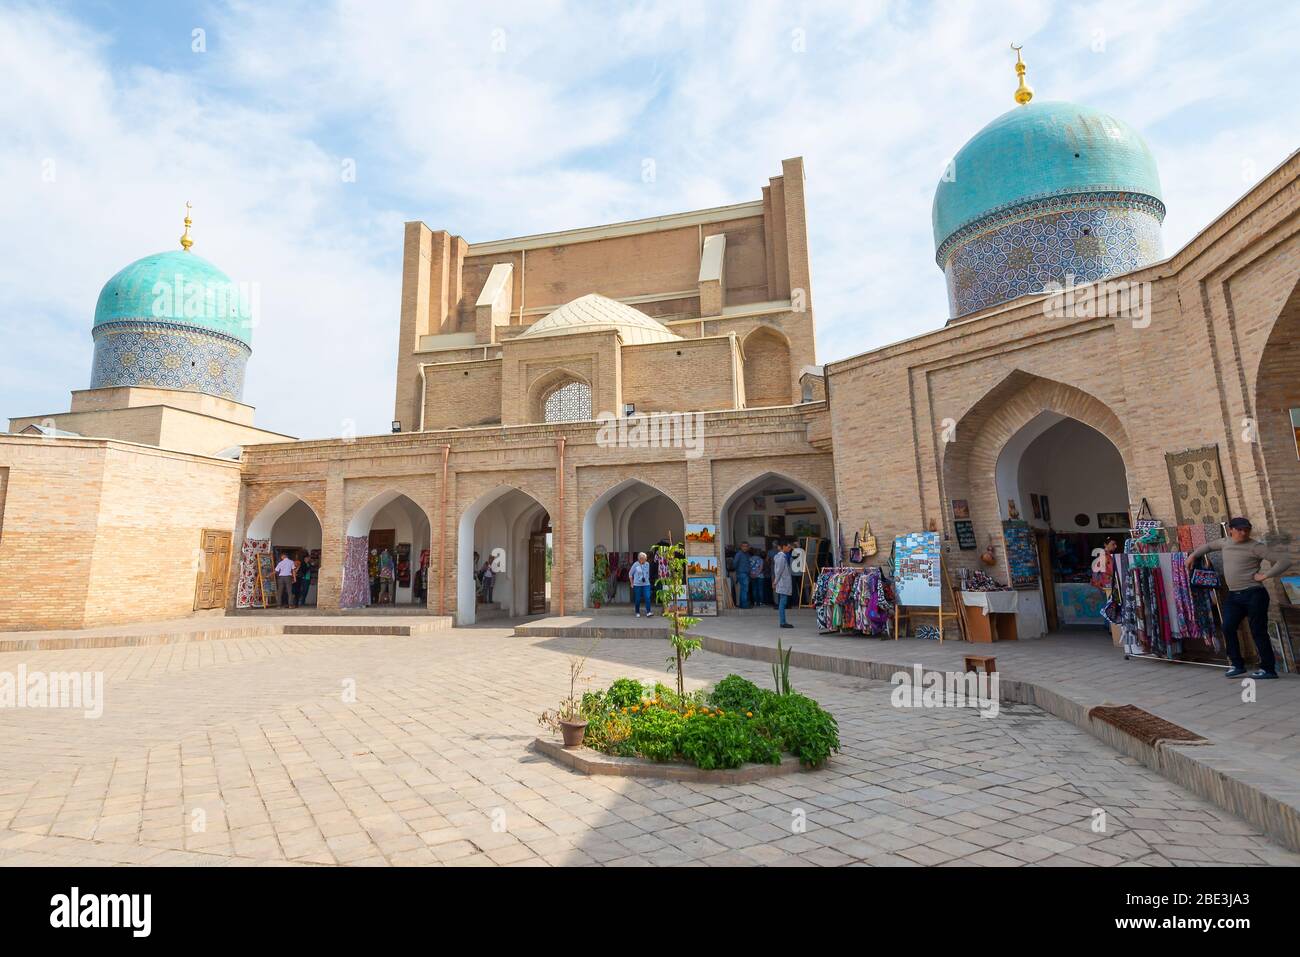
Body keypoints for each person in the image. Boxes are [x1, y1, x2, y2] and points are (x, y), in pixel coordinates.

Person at [1187, 517, 1293, 679]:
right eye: (1240, 530)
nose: (1244, 533)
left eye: (1247, 530)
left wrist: (1265, 575)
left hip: (1254, 594)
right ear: (1231, 530)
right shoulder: (1225, 542)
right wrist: (1193, 555)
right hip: (1234, 595)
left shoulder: (1255, 547)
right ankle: (1237, 665)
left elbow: (1284, 561)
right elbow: (1208, 546)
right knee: (1228, 627)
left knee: (1258, 631)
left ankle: (1268, 669)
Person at [772, 541, 794, 628]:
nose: (789, 549)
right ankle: (782, 622)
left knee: (783, 602)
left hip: (783, 582)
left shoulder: (783, 556)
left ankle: (783, 621)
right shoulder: (781, 557)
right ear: (783, 546)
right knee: (783, 602)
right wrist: (775, 582)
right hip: (782, 583)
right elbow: (778, 571)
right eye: (788, 547)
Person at [630, 551, 652, 618]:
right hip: (637, 584)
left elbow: (646, 573)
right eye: (643, 559)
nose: (645, 560)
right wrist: (632, 583)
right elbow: (630, 574)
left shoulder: (647, 564)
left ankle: (648, 612)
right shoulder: (635, 565)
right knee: (637, 599)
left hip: (646, 584)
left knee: (647, 597)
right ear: (639, 559)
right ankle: (637, 612)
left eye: (645, 559)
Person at [732, 542, 752, 608]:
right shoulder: (739, 554)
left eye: (746, 546)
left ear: (748, 547)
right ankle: (744, 605)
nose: (745, 547)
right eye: (743, 546)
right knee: (745, 589)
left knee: (743, 589)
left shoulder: (747, 554)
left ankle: (742, 604)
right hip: (742, 573)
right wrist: (737, 571)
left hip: (746, 574)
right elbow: (734, 563)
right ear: (741, 547)